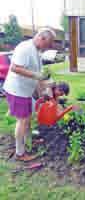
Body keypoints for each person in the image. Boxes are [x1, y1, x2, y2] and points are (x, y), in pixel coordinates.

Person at [3, 28, 56, 161]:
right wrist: (36, 75)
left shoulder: (36, 51)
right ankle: (20, 153)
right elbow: (14, 68)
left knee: (28, 118)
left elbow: (37, 75)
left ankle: (28, 141)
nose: (47, 48)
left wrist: (41, 92)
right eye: (48, 44)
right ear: (41, 38)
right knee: (23, 120)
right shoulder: (25, 48)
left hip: (25, 91)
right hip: (17, 90)